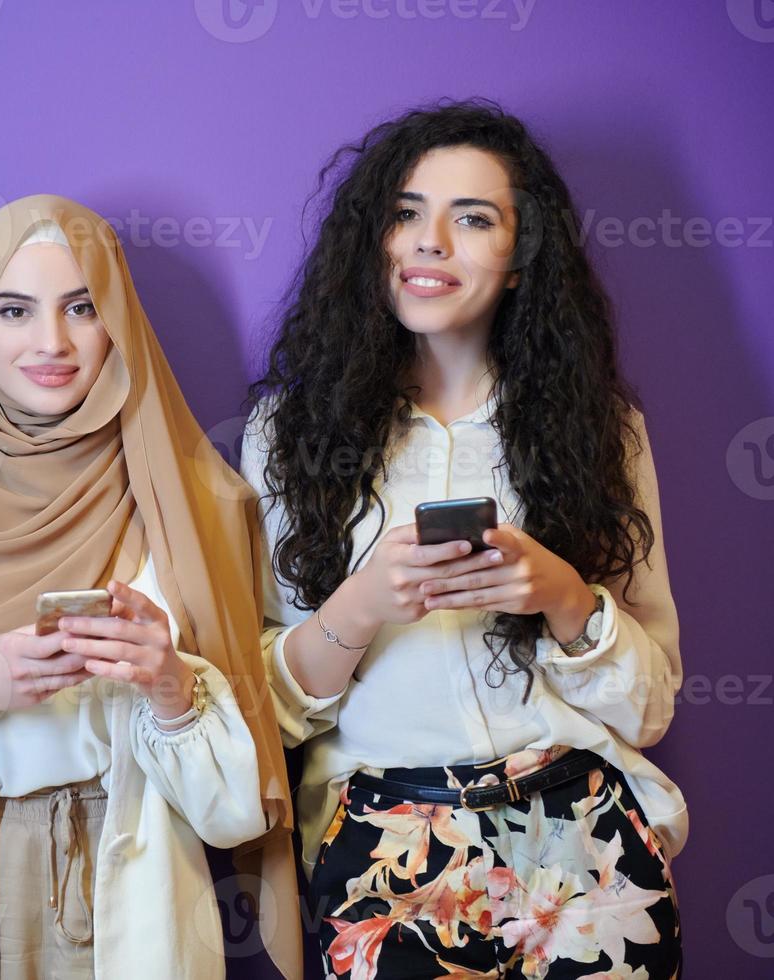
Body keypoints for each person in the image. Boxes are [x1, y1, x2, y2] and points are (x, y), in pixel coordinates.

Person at [243, 102, 683, 978]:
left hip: (580, 833)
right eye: (406, 214)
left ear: (521, 262)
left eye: (472, 218)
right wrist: (362, 605)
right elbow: (264, 710)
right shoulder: (285, 435)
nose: (429, 241)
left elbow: (651, 707)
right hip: (385, 847)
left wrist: (561, 597)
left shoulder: (603, 432)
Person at [0, 195, 302, 979]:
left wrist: (171, 687)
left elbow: (235, 811)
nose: (51, 341)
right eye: (14, 310)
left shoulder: (192, 503)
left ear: (116, 319)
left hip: (142, 904)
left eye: (81, 306)